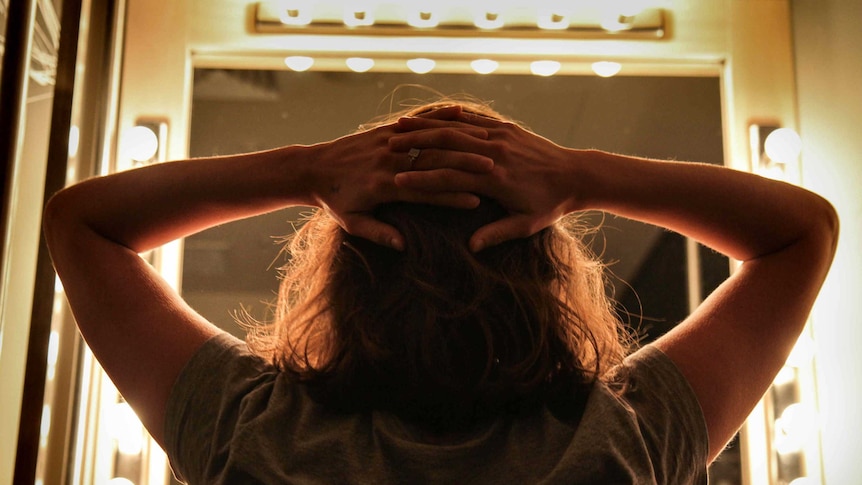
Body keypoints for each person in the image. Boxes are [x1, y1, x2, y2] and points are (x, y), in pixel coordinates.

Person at [44, 102, 838, 484]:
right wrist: (583, 174)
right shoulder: (619, 443)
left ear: (347, 275)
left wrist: (304, 169)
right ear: (547, 275)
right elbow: (803, 232)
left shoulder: (252, 431)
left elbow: (82, 222)